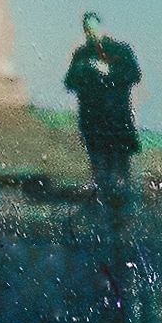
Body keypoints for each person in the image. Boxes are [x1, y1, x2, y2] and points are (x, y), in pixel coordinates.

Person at [63, 12, 140, 209]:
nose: (90, 32)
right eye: (86, 29)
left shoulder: (120, 50)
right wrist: (87, 72)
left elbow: (133, 74)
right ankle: (102, 201)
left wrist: (109, 74)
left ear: (101, 27)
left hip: (116, 117)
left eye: (93, 27)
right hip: (93, 119)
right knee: (99, 164)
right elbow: (70, 82)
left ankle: (121, 204)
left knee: (120, 166)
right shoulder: (81, 54)